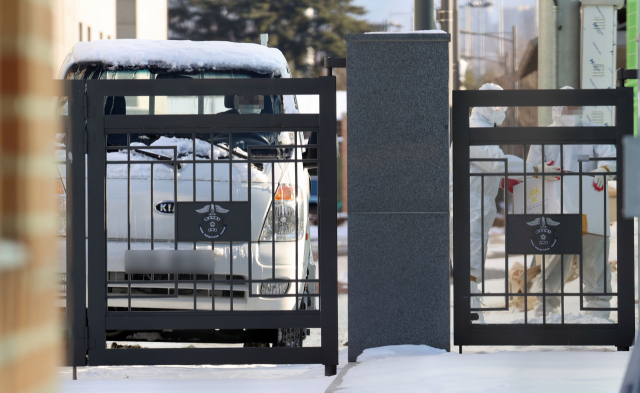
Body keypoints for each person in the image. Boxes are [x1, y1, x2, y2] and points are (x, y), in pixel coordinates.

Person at [449, 83, 561, 323]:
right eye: (496, 105)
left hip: (478, 201)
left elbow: (486, 169)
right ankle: (469, 315)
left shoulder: (483, 131)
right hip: (469, 203)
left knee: (474, 255)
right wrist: (534, 170)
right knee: (470, 257)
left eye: (503, 106)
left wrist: (504, 182)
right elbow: (497, 162)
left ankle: (471, 310)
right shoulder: (474, 129)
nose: (501, 110)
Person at [527, 86, 616, 320]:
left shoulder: (593, 131)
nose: (572, 111)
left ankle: (599, 315)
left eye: (575, 106)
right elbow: (529, 171)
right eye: (567, 106)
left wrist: (605, 169)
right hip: (557, 211)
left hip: (591, 210)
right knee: (553, 264)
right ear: (557, 108)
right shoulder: (543, 136)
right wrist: (539, 172)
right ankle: (544, 315)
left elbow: (611, 156)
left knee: (596, 264)